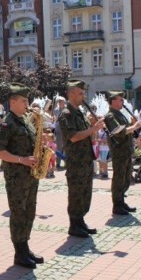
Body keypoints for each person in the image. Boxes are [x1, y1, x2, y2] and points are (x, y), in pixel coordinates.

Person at [0, 83, 43, 269]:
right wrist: (21, 159)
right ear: (12, 102)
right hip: (16, 177)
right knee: (19, 213)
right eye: (23, 101)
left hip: (30, 175)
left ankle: (25, 246)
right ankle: (19, 252)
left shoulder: (25, 121)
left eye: (27, 100)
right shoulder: (7, 123)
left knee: (29, 211)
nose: (27, 104)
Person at [58, 79, 105, 237]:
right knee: (76, 194)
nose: (83, 96)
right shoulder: (66, 114)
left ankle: (81, 221)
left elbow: (88, 135)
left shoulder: (80, 113)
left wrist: (95, 129)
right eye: (80, 93)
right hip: (76, 162)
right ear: (71, 94)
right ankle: (74, 224)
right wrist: (93, 128)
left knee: (85, 193)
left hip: (86, 159)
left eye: (83, 93)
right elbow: (73, 137)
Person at [103, 91, 141, 216]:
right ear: (113, 101)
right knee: (119, 178)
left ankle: (121, 201)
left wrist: (133, 126)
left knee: (126, 178)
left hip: (126, 150)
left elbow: (126, 130)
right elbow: (118, 132)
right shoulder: (110, 116)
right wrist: (134, 127)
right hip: (119, 151)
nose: (123, 102)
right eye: (120, 100)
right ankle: (117, 204)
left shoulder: (119, 114)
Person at [53, 96, 67, 169]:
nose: (60, 103)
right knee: (58, 147)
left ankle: (66, 162)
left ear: (64, 102)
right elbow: (56, 119)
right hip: (58, 130)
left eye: (61, 101)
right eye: (59, 102)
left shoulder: (67, 110)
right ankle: (58, 163)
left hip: (66, 131)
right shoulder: (56, 110)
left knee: (66, 147)